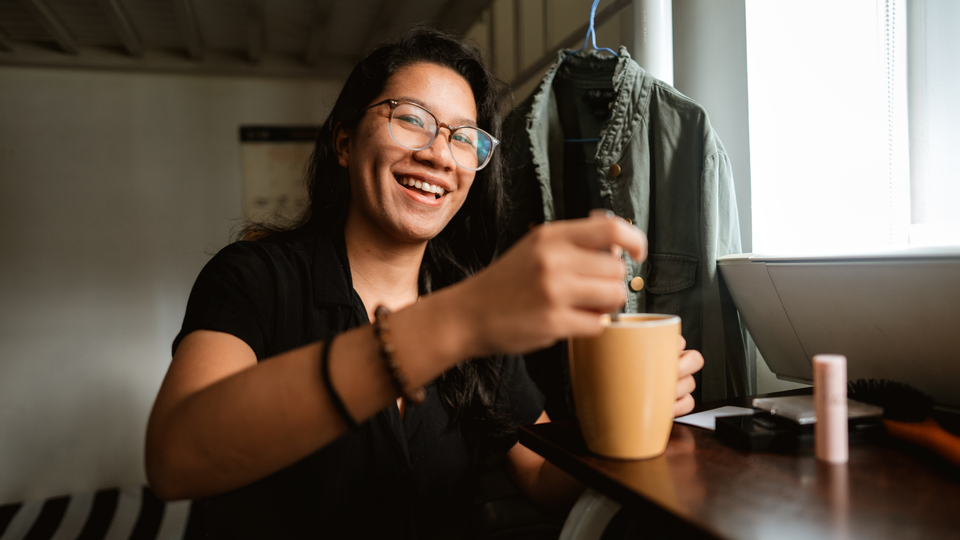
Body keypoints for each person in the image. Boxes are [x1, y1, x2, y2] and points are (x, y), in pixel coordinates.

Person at [145, 26, 704, 539]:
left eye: (465, 138)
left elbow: (542, 480)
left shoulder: (473, 304)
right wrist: (458, 322)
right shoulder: (255, 278)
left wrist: (637, 418)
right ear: (344, 142)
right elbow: (177, 458)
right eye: (411, 117)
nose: (440, 154)